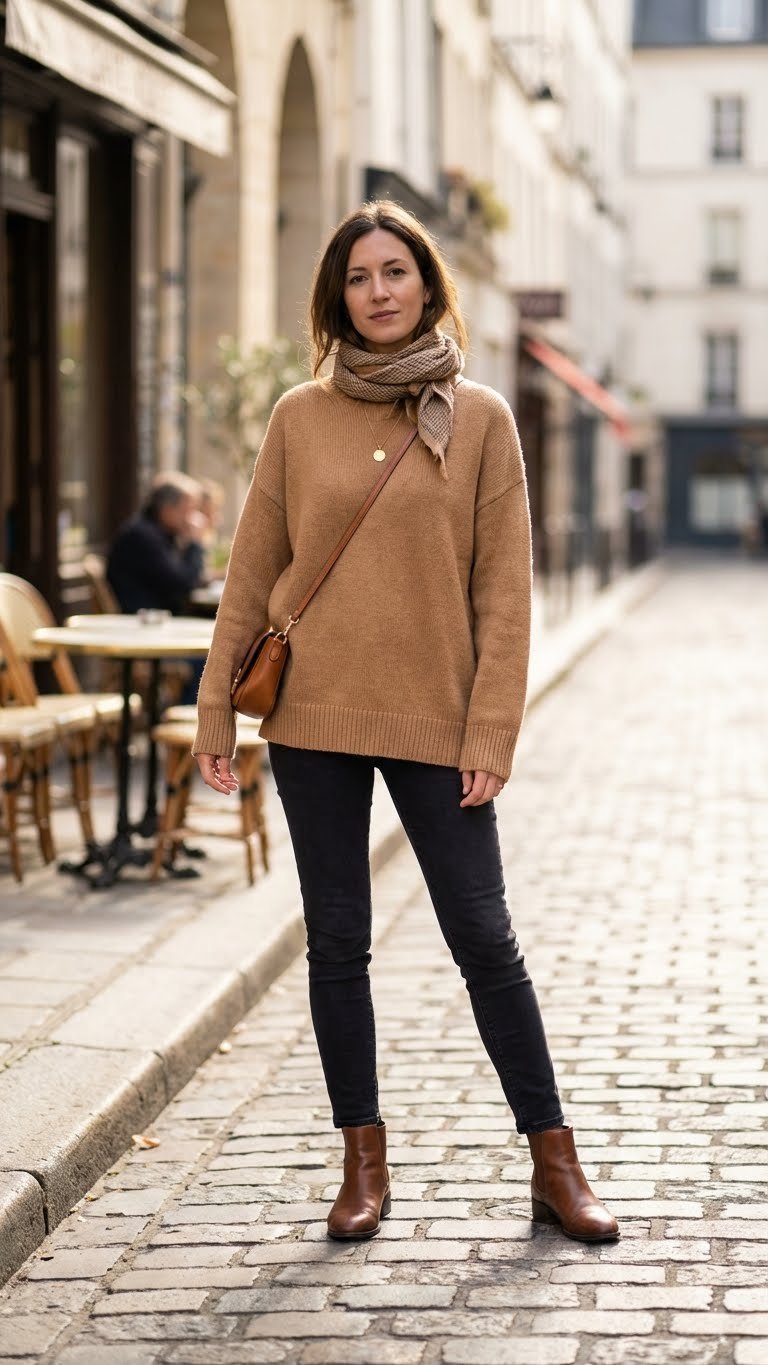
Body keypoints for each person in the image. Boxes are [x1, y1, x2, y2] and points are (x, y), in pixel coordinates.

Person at [192, 201, 619, 1245]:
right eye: (358, 277)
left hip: (436, 715)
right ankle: (362, 1164)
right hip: (313, 714)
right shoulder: (299, 414)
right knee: (338, 941)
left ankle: (554, 1161)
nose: (378, 291)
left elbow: (504, 595)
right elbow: (253, 570)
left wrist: (489, 732)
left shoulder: (478, 417)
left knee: (483, 935)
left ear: (428, 284)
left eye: (395, 272)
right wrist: (215, 710)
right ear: (336, 297)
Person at [107, 472, 206, 617]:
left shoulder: (158, 533)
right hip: (142, 621)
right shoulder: (143, 536)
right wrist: (194, 543)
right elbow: (181, 584)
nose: (191, 518)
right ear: (167, 509)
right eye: (187, 510)